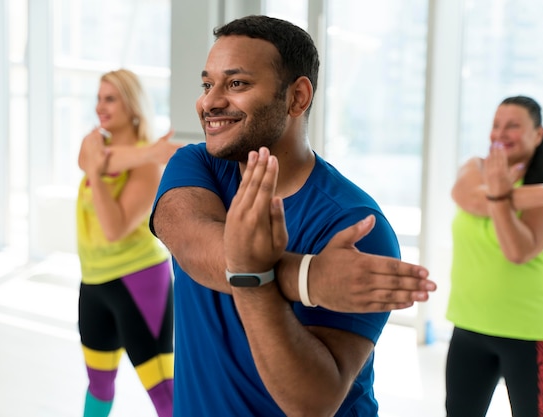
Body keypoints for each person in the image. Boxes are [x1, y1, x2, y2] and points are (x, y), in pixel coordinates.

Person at [149, 15, 436, 416]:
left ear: (297, 97)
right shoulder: (196, 166)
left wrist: (257, 274)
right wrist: (309, 278)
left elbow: (312, 403)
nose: (209, 101)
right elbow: (193, 244)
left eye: (236, 84)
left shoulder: (356, 227)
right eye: (207, 83)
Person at [446, 95, 543, 417]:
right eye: (496, 125)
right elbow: (465, 196)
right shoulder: (476, 167)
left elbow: (517, 251)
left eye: (512, 126)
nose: (500, 133)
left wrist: (497, 196)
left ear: (538, 134)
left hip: (529, 329)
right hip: (469, 324)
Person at [76, 68, 180, 417]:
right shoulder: (95, 146)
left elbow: (114, 229)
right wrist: (151, 151)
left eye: (110, 98)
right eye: (98, 97)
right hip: (93, 282)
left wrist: (96, 171)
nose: (100, 107)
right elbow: (99, 159)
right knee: (99, 387)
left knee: (164, 395)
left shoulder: (148, 167)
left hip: (139, 281)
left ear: (132, 104)